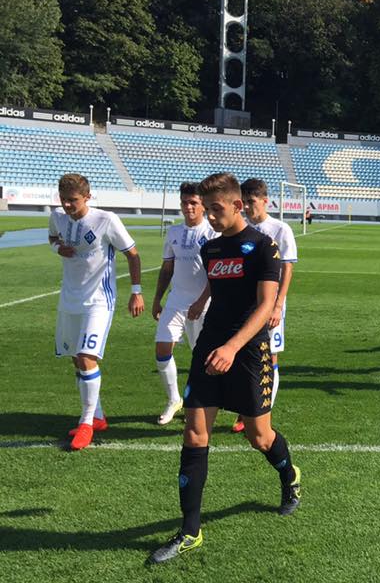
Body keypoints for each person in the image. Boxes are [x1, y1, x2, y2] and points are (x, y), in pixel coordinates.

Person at [148, 173, 300, 564]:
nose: (211, 217)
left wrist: (233, 346)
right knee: (195, 433)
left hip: (248, 351)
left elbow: (265, 306)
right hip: (210, 347)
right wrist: (201, 301)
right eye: (207, 209)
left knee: (258, 436)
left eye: (217, 209)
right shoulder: (211, 249)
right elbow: (219, 283)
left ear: (238, 206)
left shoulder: (264, 247)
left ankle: (289, 477)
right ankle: (190, 531)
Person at [48, 173, 144, 451]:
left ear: (88, 197)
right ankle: (98, 416)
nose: (67, 206)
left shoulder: (106, 220)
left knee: (87, 357)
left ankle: (87, 423)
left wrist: (136, 290)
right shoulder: (57, 216)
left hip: (99, 300)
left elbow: (133, 253)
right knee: (76, 360)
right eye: (64, 200)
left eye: (73, 201)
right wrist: (58, 249)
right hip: (69, 299)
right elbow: (52, 237)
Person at [230, 179, 298, 434]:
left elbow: (287, 268)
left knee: (270, 355)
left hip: (270, 303)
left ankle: (263, 410)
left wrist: (279, 304)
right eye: (244, 202)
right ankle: (244, 409)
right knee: (244, 353)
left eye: (252, 202)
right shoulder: (240, 229)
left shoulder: (280, 229)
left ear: (265, 201)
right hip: (244, 303)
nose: (248, 207)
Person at [151, 182, 218, 426]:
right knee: (161, 349)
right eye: (184, 203)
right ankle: (173, 399)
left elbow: (215, 273)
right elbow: (167, 268)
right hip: (175, 302)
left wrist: (201, 301)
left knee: (202, 358)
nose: (188, 207)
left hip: (204, 305)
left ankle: (204, 402)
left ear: (203, 206)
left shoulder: (212, 233)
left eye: (193, 203)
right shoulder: (174, 233)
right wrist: (157, 300)